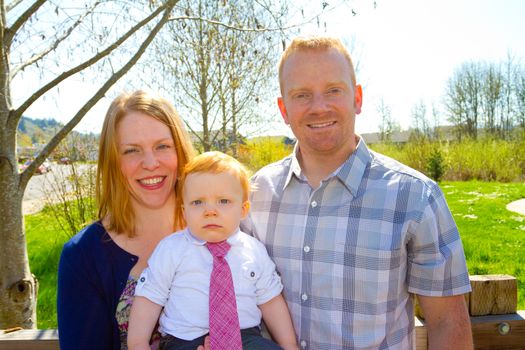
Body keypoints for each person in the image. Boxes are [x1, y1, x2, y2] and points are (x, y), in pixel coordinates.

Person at [241, 36, 473, 349]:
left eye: (333, 90)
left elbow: (447, 324)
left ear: (358, 98)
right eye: (302, 95)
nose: (319, 107)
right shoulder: (253, 195)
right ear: (283, 109)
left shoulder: (415, 198)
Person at [57, 90, 195, 350]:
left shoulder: (219, 229)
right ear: (113, 162)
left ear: (180, 151)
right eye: (132, 151)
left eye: (162, 146)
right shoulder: (84, 256)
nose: (151, 163)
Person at [127, 151, 298, 350]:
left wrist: (289, 345)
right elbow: (150, 296)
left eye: (223, 201)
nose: (210, 211)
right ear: (184, 211)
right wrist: (137, 343)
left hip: (245, 338)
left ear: (243, 210)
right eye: (197, 202)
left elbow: (271, 301)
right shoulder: (171, 249)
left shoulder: (254, 251)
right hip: (185, 339)